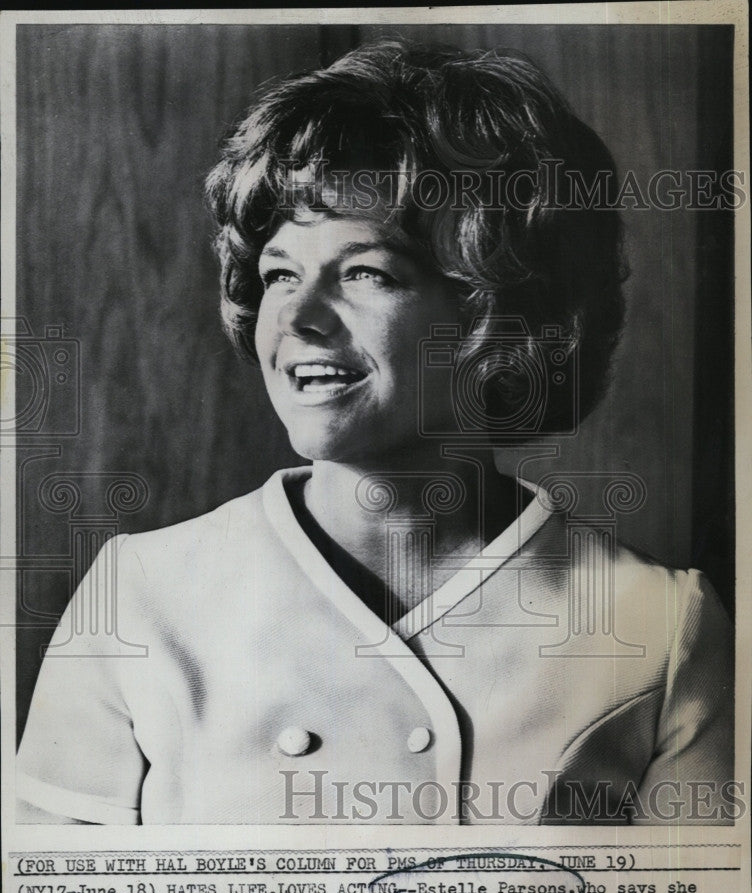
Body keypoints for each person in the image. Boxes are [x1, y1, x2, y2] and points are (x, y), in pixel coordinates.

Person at [17, 40, 733, 825]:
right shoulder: (138, 595)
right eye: (280, 273)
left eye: (366, 273)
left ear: (499, 317)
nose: (295, 319)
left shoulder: (662, 625)